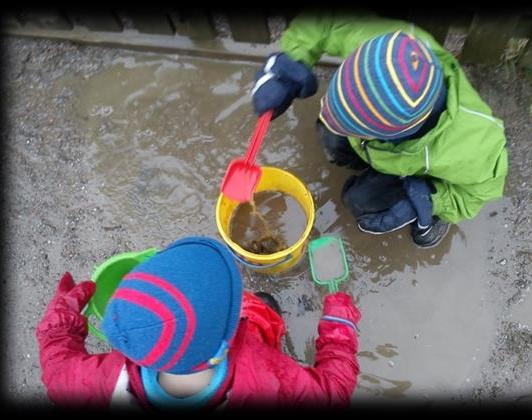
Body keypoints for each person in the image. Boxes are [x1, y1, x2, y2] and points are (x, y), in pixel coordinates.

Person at [251, 10, 508, 248]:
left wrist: (433, 199)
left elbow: (479, 193)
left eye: (355, 127)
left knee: (361, 202)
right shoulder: (384, 46)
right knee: (329, 135)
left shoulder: (474, 146)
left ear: (392, 137)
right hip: (382, 145)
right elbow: (327, 21)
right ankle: (366, 155)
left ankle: (432, 218)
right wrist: (288, 64)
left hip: (420, 171)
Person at [36, 236, 361, 410]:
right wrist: (339, 324)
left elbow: (58, 372)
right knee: (262, 305)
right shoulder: (262, 375)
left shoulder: (106, 381)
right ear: (225, 345)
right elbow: (333, 391)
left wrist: (60, 323)